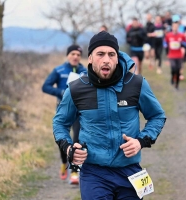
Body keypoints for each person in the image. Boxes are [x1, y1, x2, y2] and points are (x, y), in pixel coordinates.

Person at [53, 31, 166, 199]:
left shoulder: (136, 84)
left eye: (111, 54)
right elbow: (60, 123)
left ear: (117, 57)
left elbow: (157, 116)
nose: (106, 59)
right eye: (100, 54)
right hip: (94, 173)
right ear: (90, 58)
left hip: (130, 171)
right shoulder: (76, 89)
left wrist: (141, 141)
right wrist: (69, 147)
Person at [42, 44, 87, 184]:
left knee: (77, 139)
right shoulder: (59, 70)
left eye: (78, 55)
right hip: (63, 111)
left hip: (80, 111)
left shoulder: (85, 71)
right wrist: (61, 92)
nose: (75, 57)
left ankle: (74, 172)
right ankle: (64, 163)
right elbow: (45, 86)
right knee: (63, 140)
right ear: (68, 55)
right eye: (73, 54)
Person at [165, 20, 186, 89]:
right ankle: (172, 77)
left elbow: (185, 43)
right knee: (173, 68)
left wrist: (183, 48)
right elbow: (165, 43)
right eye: (174, 26)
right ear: (172, 27)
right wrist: (167, 51)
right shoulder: (169, 35)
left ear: (178, 27)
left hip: (179, 55)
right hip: (171, 55)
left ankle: (177, 84)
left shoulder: (181, 35)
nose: (175, 28)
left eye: (176, 26)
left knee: (178, 69)